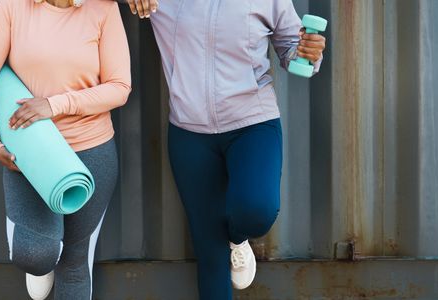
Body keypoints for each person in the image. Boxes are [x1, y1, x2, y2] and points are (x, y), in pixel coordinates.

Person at [118, 0, 326, 299]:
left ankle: (238, 238)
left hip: (253, 124)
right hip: (189, 134)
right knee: (210, 254)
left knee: (257, 212)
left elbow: (291, 47)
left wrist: (308, 51)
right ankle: (223, 243)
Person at [0, 0, 131, 299]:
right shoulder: (14, 6)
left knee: (75, 263)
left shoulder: (102, 9)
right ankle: (47, 256)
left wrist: (54, 105)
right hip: (32, 154)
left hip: (91, 152)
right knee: (37, 254)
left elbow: (119, 87)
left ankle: (58, 251)